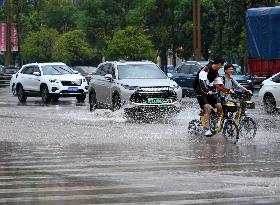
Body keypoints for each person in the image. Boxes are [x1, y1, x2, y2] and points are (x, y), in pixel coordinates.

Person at [195, 56, 231, 136]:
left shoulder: (216, 72)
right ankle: (207, 129)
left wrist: (228, 91)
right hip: (201, 92)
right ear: (218, 64)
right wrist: (207, 91)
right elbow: (202, 83)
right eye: (221, 66)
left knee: (219, 106)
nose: (221, 67)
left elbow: (219, 84)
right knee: (208, 108)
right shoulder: (205, 70)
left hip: (210, 91)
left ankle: (216, 123)